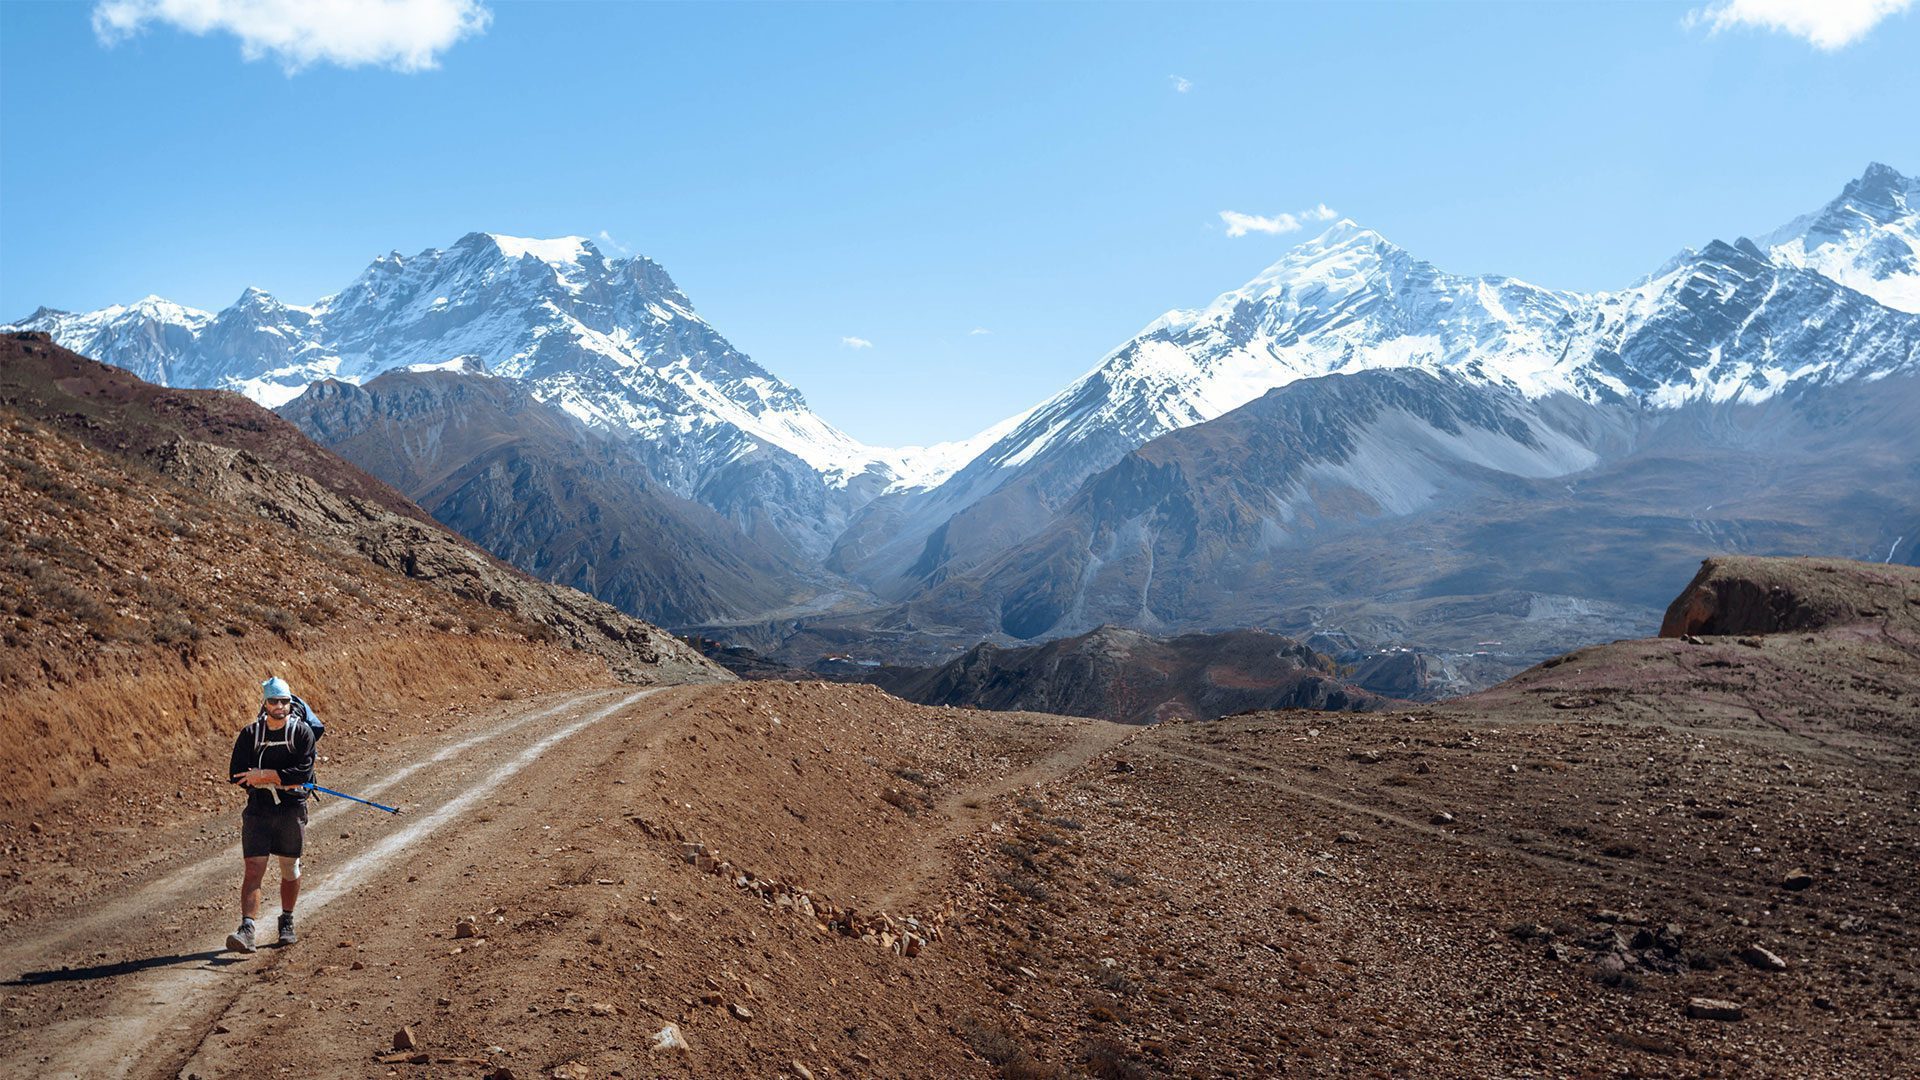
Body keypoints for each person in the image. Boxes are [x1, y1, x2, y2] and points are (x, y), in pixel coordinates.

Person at [226, 676, 318, 952]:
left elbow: (303, 772)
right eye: (274, 701)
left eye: (284, 701)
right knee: (254, 868)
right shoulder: (250, 734)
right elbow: (236, 774)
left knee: (289, 867)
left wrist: (264, 775)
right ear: (265, 703)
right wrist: (280, 779)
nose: (279, 706)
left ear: (290, 703)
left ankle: (287, 920)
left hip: (291, 808)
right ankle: (247, 929)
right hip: (259, 809)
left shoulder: (302, 733)